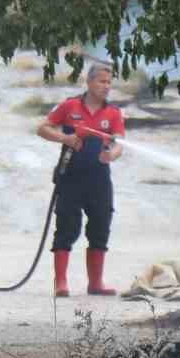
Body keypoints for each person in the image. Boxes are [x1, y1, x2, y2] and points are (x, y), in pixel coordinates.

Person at [37, 63, 125, 297]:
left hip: (99, 181)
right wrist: (65, 138)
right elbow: (43, 128)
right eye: (102, 81)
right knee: (66, 227)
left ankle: (95, 283)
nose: (106, 87)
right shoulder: (69, 106)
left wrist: (111, 155)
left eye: (109, 82)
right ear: (89, 82)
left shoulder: (113, 113)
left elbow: (119, 145)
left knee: (100, 228)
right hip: (71, 178)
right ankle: (61, 283)